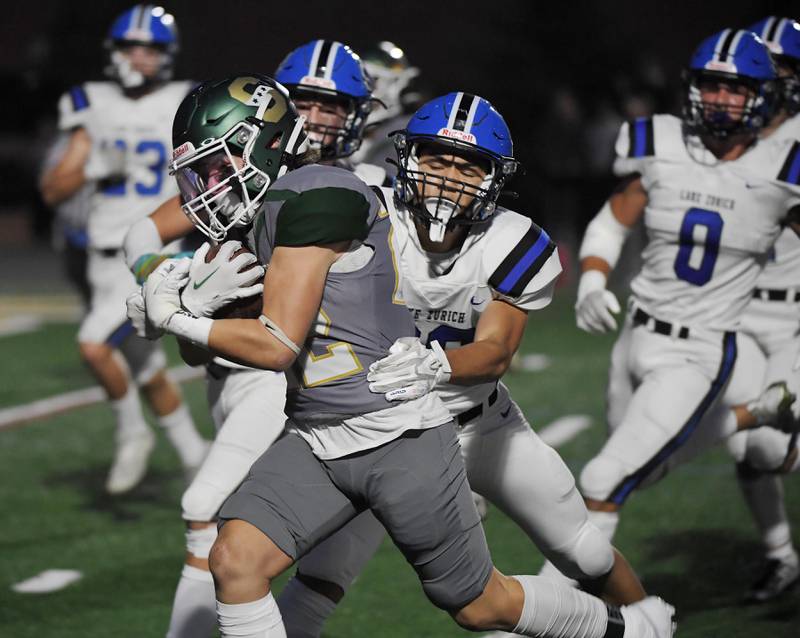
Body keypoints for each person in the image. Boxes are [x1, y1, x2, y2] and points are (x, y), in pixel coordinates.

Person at [136, 74, 675, 638]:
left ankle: (640, 628)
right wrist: (186, 296)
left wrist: (439, 364)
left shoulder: (507, 240)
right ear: (405, 158)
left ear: (494, 182)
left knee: (575, 558)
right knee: (280, 571)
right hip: (345, 422)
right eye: (435, 160)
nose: (446, 179)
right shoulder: (360, 200)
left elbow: (494, 353)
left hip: (470, 421)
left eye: (468, 168)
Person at [123, 42, 388, 638]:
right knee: (288, 555)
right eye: (308, 102)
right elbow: (142, 233)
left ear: (358, 114)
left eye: (334, 105)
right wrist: (163, 279)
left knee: (212, 514)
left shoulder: (369, 184)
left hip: (298, 372)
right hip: (228, 370)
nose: (319, 118)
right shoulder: (237, 170)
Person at [565, 28, 800, 565]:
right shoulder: (660, 140)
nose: (721, 99)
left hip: (708, 345)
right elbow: (617, 214)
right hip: (638, 330)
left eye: (735, 89)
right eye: (712, 85)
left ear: (763, 95)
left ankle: (550, 614)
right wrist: (595, 277)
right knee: (636, 471)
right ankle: (749, 414)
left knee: (606, 476)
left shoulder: (786, 168)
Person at [39, 4, 207, 494]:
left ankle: (132, 433)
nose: (140, 57)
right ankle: (194, 452)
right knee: (148, 371)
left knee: (93, 345)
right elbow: (53, 191)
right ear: (114, 52)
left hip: (151, 252)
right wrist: (91, 167)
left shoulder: (185, 100)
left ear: (167, 55)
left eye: (150, 49)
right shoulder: (91, 102)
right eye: (132, 47)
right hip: (100, 253)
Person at [718, 16, 800, 601]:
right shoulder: (716, 138)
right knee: (746, 445)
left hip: (796, 314)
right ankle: (781, 555)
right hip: (738, 314)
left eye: (779, 66)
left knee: (771, 445)